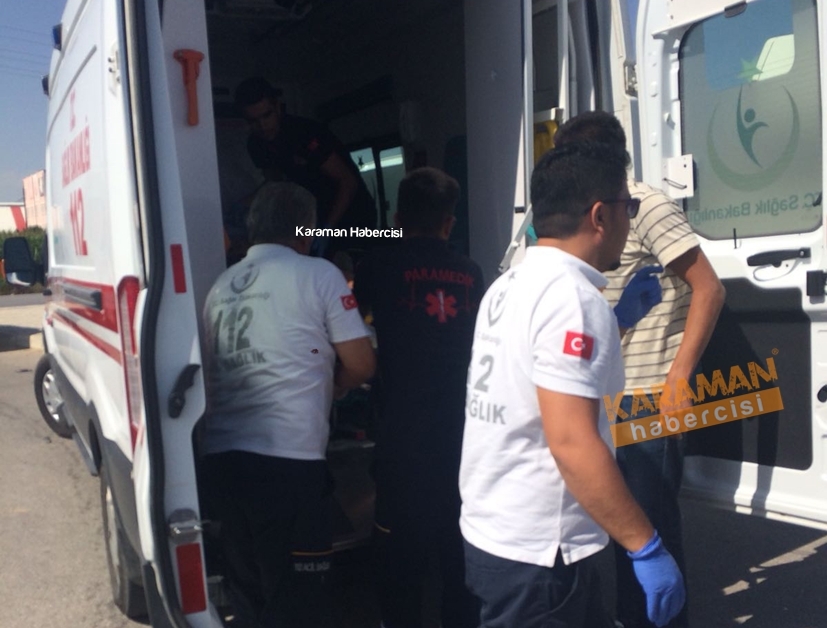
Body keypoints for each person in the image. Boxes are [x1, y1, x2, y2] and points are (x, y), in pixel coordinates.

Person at [459, 141, 685, 628]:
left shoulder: (509, 284)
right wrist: (645, 545)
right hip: (541, 554)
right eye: (629, 207)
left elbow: (539, 374)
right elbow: (571, 442)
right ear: (600, 215)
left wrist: (617, 322)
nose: (631, 219)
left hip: (495, 528)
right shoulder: (572, 299)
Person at [554, 111, 725, 628]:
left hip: (645, 396)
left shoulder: (643, 205)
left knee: (649, 531)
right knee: (612, 526)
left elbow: (709, 288)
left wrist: (679, 378)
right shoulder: (576, 212)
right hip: (597, 395)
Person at [200, 182, 376, 627]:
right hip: (288, 463)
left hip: (223, 461)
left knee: (249, 592)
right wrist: (334, 386)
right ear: (306, 229)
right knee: (298, 599)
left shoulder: (221, 285)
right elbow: (361, 363)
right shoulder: (318, 274)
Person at [353, 167, 484, 628]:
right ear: (450, 222)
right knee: (458, 553)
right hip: (461, 438)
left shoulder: (377, 265)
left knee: (398, 559)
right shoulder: (471, 273)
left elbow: (350, 328)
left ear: (396, 218)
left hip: (401, 437)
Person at [234, 76, 378, 256]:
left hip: (352, 215)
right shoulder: (256, 144)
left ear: (278, 107)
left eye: (267, 115)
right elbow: (274, 183)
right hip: (311, 218)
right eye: (253, 121)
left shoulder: (304, 133)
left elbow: (348, 182)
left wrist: (328, 229)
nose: (262, 126)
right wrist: (241, 205)